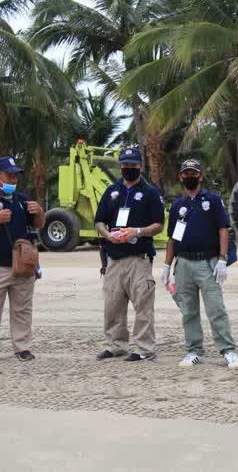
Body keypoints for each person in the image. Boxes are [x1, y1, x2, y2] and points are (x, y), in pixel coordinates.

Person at [162, 159, 238, 369]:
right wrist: (167, 266)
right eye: (186, 173)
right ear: (181, 176)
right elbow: (172, 238)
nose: (190, 176)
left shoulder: (212, 200)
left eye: (193, 173)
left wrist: (222, 259)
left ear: (200, 176)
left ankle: (228, 350)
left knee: (216, 308)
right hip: (183, 264)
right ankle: (194, 351)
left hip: (207, 263)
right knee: (188, 310)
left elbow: (223, 229)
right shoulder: (177, 205)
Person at [94, 147, 165, 362]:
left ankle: (145, 349)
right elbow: (99, 221)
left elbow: (159, 225)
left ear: (140, 166)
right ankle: (116, 345)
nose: (128, 168)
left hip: (138, 258)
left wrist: (137, 231)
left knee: (143, 306)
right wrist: (107, 235)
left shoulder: (150, 193)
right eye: (125, 165)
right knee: (112, 306)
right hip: (114, 258)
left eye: (132, 165)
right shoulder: (111, 191)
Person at [0, 156, 45, 361]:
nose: (13, 179)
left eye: (15, 176)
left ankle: (23, 347)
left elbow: (39, 224)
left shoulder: (21, 199)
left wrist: (39, 212)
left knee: (23, 309)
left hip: (23, 264)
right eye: (9, 175)